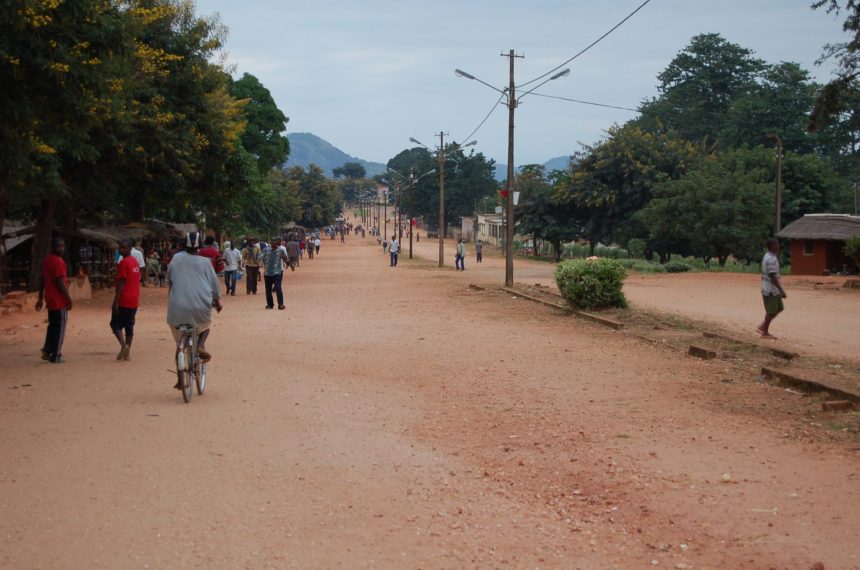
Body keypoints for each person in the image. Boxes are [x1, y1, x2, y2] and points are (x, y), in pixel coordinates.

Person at [167, 232, 222, 389]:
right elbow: (214, 285)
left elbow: (169, 280)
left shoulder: (176, 259)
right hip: (200, 306)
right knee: (205, 325)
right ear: (200, 246)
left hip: (177, 307)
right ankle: (201, 345)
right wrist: (217, 302)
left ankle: (180, 379)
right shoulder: (205, 262)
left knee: (179, 344)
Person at [36, 237, 72, 364]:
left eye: (63, 246)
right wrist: (68, 298)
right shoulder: (58, 261)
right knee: (60, 327)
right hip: (58, 299)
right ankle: (56, 354)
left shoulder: (47, 260)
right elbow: (59, 282)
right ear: (53, 247)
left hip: (50, 298)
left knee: (52, 326)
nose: (61, 248)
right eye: (59, 246)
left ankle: (47, 350)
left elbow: (42, 279)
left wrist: (40, 297)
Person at [111, 239, 141, 361]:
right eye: (120, 248)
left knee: (115, 324)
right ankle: (127, 352)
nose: (120, 250)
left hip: (125, 298)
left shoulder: (123, 263)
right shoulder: (135, 262)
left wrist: (116, 302)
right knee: (129, 325)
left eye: (123, 248)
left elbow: (121, 283)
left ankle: (124, 346)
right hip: (134, 299)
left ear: (130, 249)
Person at [758, 237, 787, 339]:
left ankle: (763, 326)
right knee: (771, 311)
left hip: (773, 289)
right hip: (770, 289)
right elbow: (772, 276)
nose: (778, 246)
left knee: (779, 308)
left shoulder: (770, 256)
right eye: (776, 244)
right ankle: (765, 333)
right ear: (771, 246)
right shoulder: (770, 258)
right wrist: (781, 290)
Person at [261, 237, 289, 310]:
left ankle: (281, 304)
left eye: (276, 241)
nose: (274, 243)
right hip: (267, 273)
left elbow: (285, 258)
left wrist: (288, 264)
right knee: (268, 289)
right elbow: (260, 257)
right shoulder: (265, 250)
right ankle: (270, 304)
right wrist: (260, 263)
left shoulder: (280, 250)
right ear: (270, 242)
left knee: (278, 288)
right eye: (273, 241)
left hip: (277, 272)